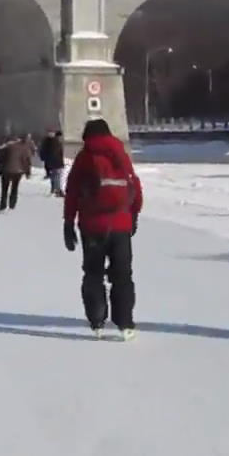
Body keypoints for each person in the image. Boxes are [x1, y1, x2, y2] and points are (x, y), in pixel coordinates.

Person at [63, 118, 144, 340]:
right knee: (123, 275)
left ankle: (97, 318)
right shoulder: (119, 152)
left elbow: (72, 192)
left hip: (91, 226)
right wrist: (133, 215)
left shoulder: (84, 157)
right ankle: (125, 322)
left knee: (93, 273)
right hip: (120, 224)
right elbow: (134, 186)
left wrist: (68, 222)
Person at [0, 135, 32, 213]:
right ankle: (12, 204)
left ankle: (3, 206)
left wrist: (0, 169)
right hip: (18, 171)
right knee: (15, 188)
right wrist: (27, 172)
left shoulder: (7, 146)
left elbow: (1, 158)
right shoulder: (24, 148)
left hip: (6, 170)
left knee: (4, 189)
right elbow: (26, 161)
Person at [38, 129, 66, 197]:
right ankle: (57, 190)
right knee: (57, 176)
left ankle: (54, 189)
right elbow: (55, 153)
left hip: (53, 163)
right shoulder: (56, 143)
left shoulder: (52, 142)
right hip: (56, 163)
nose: (61, 138)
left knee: (54, 176)